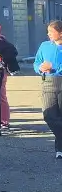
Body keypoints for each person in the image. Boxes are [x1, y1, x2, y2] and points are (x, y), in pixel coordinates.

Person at [32, 20, 62, 160]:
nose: (48, 34)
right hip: (48, 82)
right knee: (49, 115)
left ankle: (59, 149)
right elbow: (37, 61)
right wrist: (39, 68)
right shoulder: (44, 46)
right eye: (48, 31)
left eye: (51, 31)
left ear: (60, 33)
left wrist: (54, 69)